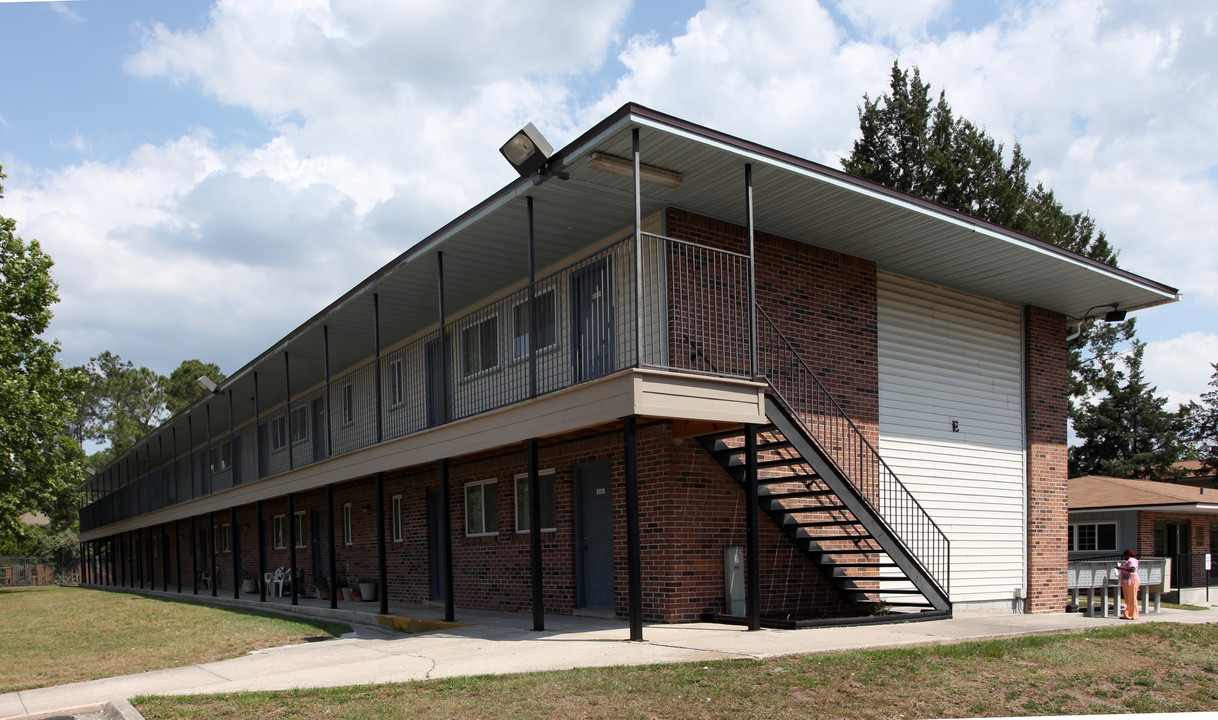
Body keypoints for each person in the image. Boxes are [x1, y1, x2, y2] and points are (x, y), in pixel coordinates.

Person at [1115, 549, 1140, 619]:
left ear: (1127, 555)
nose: (1124, 557)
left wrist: (1120, 568)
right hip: (1127, 580)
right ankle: (1128, 614)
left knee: (1132, 598)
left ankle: (1134, 615)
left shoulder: (1132, 560)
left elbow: (1132, 569)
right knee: (1127, 598)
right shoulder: (1128, 561)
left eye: (1124, 555)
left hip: (1133, 580)